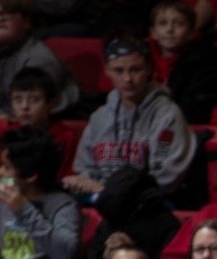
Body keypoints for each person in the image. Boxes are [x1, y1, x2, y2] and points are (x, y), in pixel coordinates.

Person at [67, 37, 198, 203]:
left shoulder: (167, 115)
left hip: (148, 203)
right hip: (101, 200)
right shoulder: (100, 116)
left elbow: (165, 178)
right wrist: (93, 187)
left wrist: (108, 192)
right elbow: (84, 167)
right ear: (107, 70)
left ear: (149, 69)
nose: (128, 79)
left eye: (135, 70)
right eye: (119, 71)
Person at [0, 131, 79, 259]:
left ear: (31, 176)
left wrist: (24, 209)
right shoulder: (5, 203)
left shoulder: (64, 206)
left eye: (6, 167)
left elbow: (64, 254)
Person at [150, 0, 217, 127]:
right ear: (153, 32)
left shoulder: (202, 62)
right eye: (163, 23)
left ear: (191, 33)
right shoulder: (141, 58)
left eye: (178, 24)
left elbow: (193, 109)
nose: (170, 29)